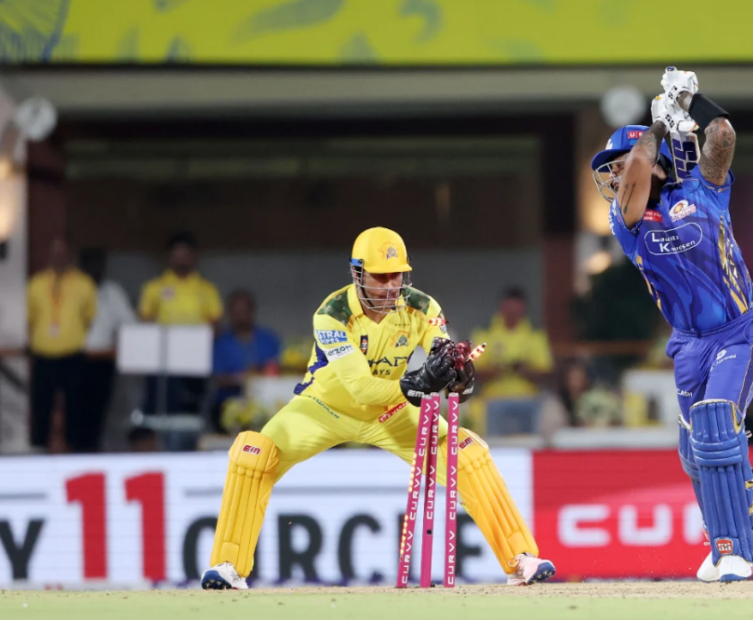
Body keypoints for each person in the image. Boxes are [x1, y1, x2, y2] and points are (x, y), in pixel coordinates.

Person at [201, 228, 555, 590]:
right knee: (254, 454)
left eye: (397, 275)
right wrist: (418, 384)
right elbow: (360, 388)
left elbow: (442, 355)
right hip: (322, 408)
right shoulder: (332, 315)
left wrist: (458, 376)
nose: (390, 286)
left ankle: (521, 559)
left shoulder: (422, 306)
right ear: (357, 273)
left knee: (467, 452)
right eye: (380, 276)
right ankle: (229, 565)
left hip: (391, 413)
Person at [591, 68, 753, 582]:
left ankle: (734, 549)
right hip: (688, 344)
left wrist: (692, 98)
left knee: (716, 420)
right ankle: (736, 529)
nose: (616, 179)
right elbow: (644, 160)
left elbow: (723, 137)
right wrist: (658, 123)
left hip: (739, 330)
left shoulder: (704, 191)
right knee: (693, 450)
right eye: (612, 172)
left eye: (618, 167)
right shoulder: (624, 222)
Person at [138, 232, 223, 419]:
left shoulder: (207, 289)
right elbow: (145, 322)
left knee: (190, 413)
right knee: (158, 410)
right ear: (169, 256)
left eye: (186, 253)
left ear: (194, 256)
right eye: (177, 253)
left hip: (195, 362)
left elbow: (216, 326)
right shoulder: (155, 287)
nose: (181, 258)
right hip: (161, 363)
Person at [26, 237, 97, 452]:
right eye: (55, 253)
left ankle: (74, 446)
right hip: (43, 353)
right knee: (41, 403)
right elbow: (32, 317)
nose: (59, 257)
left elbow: (88, 317)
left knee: (75, 403)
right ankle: (38, 446)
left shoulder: (84, 284)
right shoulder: (37, 283)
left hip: (72, 353)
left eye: (63, 253)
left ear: (70, 256)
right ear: (50, 255)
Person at [80, 248, 136, 452]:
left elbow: (130, 323)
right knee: (77, 411)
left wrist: (120, 344)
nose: (95, 269)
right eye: (90, 264)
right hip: (76, 358)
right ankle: (78, 451)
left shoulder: (112, 292)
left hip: (104, 359)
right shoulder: (74, 289)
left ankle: (95, 450)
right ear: (82, 266)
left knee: (101, 410)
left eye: (99, 264)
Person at [211, 290, 281, 431]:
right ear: (229, 313)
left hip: (267, 402)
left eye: (244, 311)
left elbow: (280, 369)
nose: (241, 316)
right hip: (229, 402)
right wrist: (241, 378)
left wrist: (259, 373)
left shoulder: (269, 339)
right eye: (236, 312)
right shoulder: (220, 342)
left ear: (252, 311)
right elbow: (216, 378)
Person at [471, 287, 554, 398]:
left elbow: (546, 373)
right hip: (492, 399)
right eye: (509, 306)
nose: (512, 311)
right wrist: (499, 369)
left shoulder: (535, 335)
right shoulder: (484, 333)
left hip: (527, 399)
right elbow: (474, 372)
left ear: (524, 308)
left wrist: (522, 370)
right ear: (502, 306)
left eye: (517, 307)